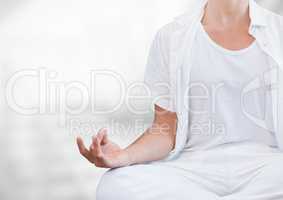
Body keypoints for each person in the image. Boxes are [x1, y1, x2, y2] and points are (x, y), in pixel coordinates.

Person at [76, 0, 283, 199]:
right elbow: (166, 129)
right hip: (194, 169)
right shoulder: (171, 38)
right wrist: (124, 156)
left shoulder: (279, 31)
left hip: (265, 167)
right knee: (114, 185)